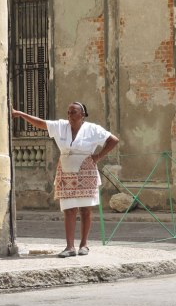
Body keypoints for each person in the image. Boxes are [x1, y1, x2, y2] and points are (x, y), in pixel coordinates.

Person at [11, 102, 119, 258]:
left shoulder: (93, 129)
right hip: (66, 171)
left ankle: (84, 245)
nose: (69, 115)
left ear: (82, 115)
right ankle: (69, 247)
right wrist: (21, 114)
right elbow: (41, 124)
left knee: (85, 209)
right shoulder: (61, 126)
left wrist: (98, 156)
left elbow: (113, 140)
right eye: (68, 112)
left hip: (86, 170)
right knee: (68, 209)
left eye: (73, 112)